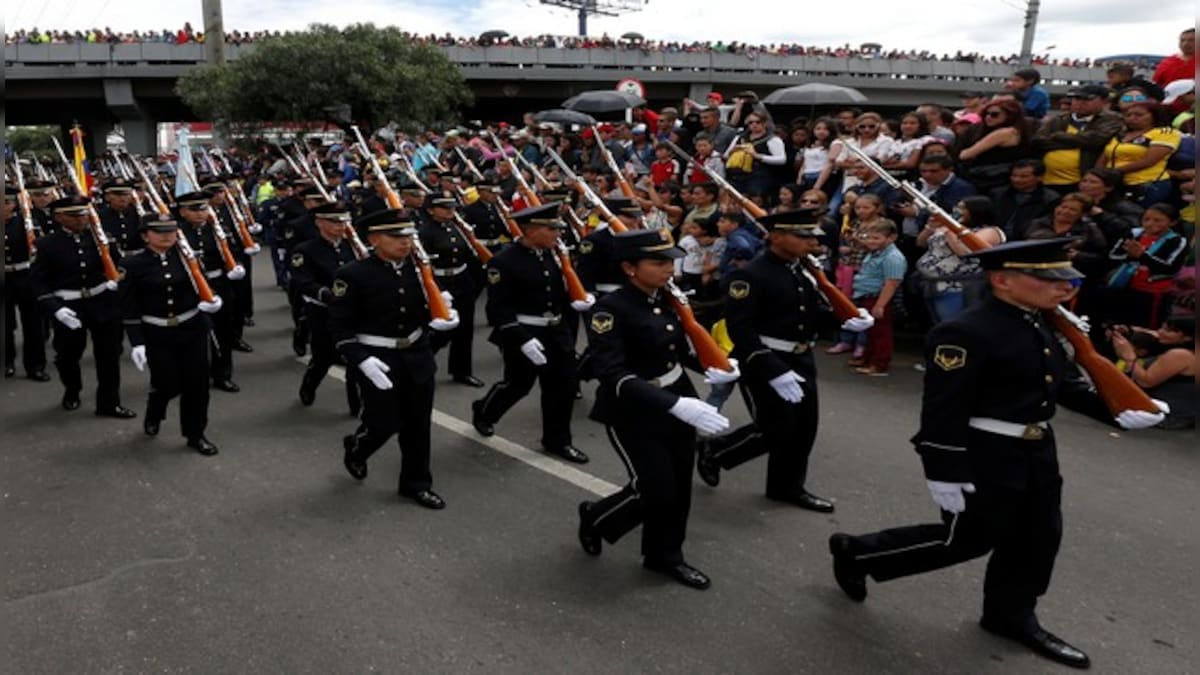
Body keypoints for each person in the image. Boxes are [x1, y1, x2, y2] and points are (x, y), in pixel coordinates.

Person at [827, 239, 1169, 672]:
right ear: (1002, 280)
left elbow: (1058, 383)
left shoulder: (1039, 322)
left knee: (1038, 538)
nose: (1064, 286)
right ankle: (857, 553)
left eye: (1067, 277)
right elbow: (943, 408)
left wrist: (1119, 410)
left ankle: (1010, 616)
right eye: (1048, 277)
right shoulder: (965, 331)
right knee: (966, 540)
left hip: (1036, 448)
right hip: (984, 451)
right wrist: (943, 468)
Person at [576, 228, 738, 590]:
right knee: (656, 489)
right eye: (658, 262)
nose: (669, 268)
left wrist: (714, 366)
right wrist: (674, 403)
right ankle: (597, 517)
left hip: (679, 398)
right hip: (633, 410)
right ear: (630, 268)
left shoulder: (666, 298)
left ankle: (664, 556)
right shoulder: (610, 310)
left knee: (679, 487)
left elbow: (677, 350)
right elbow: (611, 372)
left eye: (670, 261)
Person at [696, 209, 874, 511]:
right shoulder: (750, 274)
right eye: (802, 235)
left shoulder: (802, 269)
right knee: (775, 427)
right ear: (776, 237)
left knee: (804, 428)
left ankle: (786, 487)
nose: (811, 241)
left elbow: (807, 313)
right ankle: (716, 450)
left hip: (801, 357)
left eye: (812, 235)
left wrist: (845, 320)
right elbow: (741, 328)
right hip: (764, 360)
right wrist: (772, 368)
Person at [329, 208, 460, 510]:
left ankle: (416, 483)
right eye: (396, 236)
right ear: (374, 239)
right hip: (377, 358)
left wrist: (442, 314)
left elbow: (421, 311)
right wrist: (360, 360)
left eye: (408, 236)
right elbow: (339, 324)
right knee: (383, 422)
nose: (405, 242)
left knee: (418, 424)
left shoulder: (418, 269)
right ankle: (358, 447)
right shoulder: (353, 274)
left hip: (416, 353)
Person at [471, 203, 591, 464]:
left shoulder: (557, 254)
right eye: (550, 229)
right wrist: (521, 339)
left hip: (556, 331)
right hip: (524, 332)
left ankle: (557, 440)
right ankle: (485, 410)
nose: (557, 234)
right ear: (530, 230)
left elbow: (559, 289)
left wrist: (578, 299)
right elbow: (498, 308)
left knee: (563, 387)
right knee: (518, 384)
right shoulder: (503, 261)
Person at [119, 214, 224, 455]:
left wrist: (213, 300)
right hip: (157, 332)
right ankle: (155, 409)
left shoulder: (189, 259)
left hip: (191, 329)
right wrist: (137, 342)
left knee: (197, 386)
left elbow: (204, 285)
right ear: (146, 236)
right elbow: (128, 304)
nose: (167, 235)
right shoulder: (132, 265)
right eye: (159, 231)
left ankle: (195, 434)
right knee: (167, 383)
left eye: (171, 230)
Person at [30, 195, 136, 417]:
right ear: (58, 217)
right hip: (69, 305)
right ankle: (72, 389)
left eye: (84, 214)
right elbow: (38, 281)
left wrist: (116, 280)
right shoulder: (46, 244)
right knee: (68, 355)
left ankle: (109, 402)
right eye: (73, 215)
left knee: (109, 355)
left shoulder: (101, 238)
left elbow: (120, 266)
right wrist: (55, 308)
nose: (81, 219)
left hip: (102, 302)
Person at [290, 201, 361, 412]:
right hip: (324, 312)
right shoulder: (305, 250)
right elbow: (303, 281)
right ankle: (309, 385)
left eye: (344, 221)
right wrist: (327, 295)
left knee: (356, 358)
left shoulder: (354, 246)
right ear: (319, 223)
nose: (341, 226)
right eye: (335, 221)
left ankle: (356, 404)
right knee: (324, 357)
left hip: (355, 311)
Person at [176, 191, 245, 393]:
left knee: (222, 331)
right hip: (190, 289)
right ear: (182, 212)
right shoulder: (177, 234)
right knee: (190, 336)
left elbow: (234, 252)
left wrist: (236, 267)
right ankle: (190, 375)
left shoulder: (218, 230)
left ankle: (222, 374)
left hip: (219, 284)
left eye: (203, 208)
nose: (200, 213)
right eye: (193, 209)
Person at [419, 191, 484, 387]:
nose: (450, 211)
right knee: (440, 331)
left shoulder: (457, 226)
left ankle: (461, 371)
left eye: (452, 207)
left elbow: (468, 254)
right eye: (444, 207)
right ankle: (420, 366)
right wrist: (438, 289)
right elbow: (424, 265)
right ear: (431, 210)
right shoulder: (425, 232)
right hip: (440, 282)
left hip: (462, 280)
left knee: (465, 329)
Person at [915, 196, 1006, 323]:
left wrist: (950, 229)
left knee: (953, 323)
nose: (957, 210)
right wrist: (930, 227)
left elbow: (964, 252)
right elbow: (921, 243)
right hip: (932, 283)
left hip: (958, 286)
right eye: (957, 206)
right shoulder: (950, 226)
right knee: (938, 324)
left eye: (962, 207)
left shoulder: (989, 231)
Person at [1101, 203, 1188, 329]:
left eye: (1157, 220)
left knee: (1145, 326)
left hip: (1152, 293)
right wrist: (1131, 256)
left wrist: (1142, 256)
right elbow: (1113, 255)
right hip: (1125, 286)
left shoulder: (1177, 241)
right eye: (1146, 219)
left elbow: (1170, 268)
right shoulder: (1134, 234)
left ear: (1173, 222)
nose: (1149, 224)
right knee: (1120, 324)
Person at [1032, 84, 1123, 195]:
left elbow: (1096, 140)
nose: (1080, 102)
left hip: (1083, 182)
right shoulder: (1059, 119)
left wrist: (1059, 136)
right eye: (1076, 98)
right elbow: (1038, 141)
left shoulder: (1112, 119)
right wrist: (1079, 142)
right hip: (1047, 180)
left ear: (1104, 101)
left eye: (1087, 99)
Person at [1107, 318, 1195, 429]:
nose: (1160, 332)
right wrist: (1126, 330)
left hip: (1164, 413)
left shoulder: (1181, 355)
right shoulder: (1180, 347)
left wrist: (1129, 356)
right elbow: (1150, 332)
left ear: (1188, 337)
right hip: (1162, 408)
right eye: (1162, 327)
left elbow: (1145, 381)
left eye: (1169, 330)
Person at [849, 220, 907, 375]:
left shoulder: (893, 257)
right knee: (871, 332)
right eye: (869, 237)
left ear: (891, 238)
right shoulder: (876, 252)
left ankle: (880, 364)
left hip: (879, 298)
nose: (870, 241)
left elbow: (892, 283)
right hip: (866, 296)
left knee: (881, 333)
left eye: (876, 238)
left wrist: (880, 305)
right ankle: (868, 358)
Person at [1096, 102, 1182, 206]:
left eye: (1139, 115)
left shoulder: (1164, 132)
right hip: (1116, 183)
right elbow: (1105, 156)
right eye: (1128, 115)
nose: (1132, 118)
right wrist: (1098, 175)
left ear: (1154, 116)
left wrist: (1113, 172)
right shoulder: (1120, 134)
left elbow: (1149, 161)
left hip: (1147, 184)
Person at [4, 185, 49, 381]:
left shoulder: (27, 222)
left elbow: (40, 247)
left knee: (33, 324)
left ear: (14, 205)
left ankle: (35, 366)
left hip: (25, 274)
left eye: (6, 202)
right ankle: (8, 362)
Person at [958, 99, 1032, 192]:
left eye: (994, 114)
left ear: (1009, 115)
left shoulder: (1004, 133)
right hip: (1001, 180)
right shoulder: (1018, 131)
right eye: (986, 114)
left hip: (991, 181)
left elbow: (965, 155)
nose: (988, 117)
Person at [989, 160, 1060, 240]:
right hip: (996, 238)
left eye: (1023, 176)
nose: (1016, 180)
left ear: (1039, 177)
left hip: (1028, 241)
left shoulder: (1050, 198)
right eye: (1014, 176)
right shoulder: (998, 194)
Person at [96, 178, 143, 257]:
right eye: (117, 194)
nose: (122, 198)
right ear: (107, 197)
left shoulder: (139, 214)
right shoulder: (99, 216)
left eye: (126, 194)